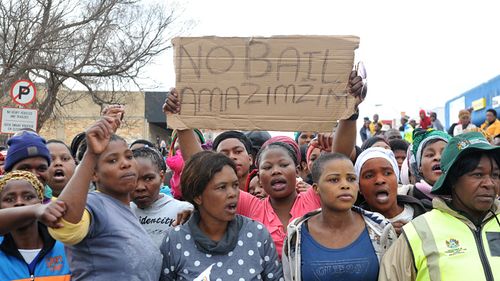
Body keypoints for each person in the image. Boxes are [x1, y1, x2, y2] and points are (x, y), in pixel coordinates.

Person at [48, 110, 162, 281]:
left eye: (129, 156)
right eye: (112, 160)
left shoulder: (126, 209)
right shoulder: (95, 205)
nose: (125, 164)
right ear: (93, 174)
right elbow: (64, 226)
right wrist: (91, 155)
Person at [379, 132, 500, 281]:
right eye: (478, 175)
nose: (489, 183)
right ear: (452, 180)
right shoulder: (418, 232)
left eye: (495, 175)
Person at [159, 151, 283, 280]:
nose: (232, 194)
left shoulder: (257, 234)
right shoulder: (175, 240)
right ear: (197, 196)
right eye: (222, 187)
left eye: (235, 185)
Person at [282, 153, 397, 281]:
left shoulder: (380, 229)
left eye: (351, 179)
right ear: (316, 189)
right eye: (334, 180)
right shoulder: (296, 234)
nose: (345, 185)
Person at [0, 171, 70, 280]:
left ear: (41, 202)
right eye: (9, 199)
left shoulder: (67, 248)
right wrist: (33, 210)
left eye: (28, 197)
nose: (19, 203)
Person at [355, 148, 427, 235]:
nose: (380, 180)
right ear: (360, 187)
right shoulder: (354, 229)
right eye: (369, 176)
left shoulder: (426, 212)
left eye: (387, 173)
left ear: (397, 180)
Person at [130, 147, 193, 247]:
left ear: (162, 177)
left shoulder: (183, 211)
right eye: (133, 179)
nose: (140, 187)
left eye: (148, 178)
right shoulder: (121, 212)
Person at [400, 129, 451, 209]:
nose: (438, 158)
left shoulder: (466, 198)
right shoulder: (406, 203)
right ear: (419, 167)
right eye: (430, 155)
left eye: (444, 154)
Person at [4, 131, 53, 201]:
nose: (34, 175)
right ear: (8, 173)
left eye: (41, 168)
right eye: (25, 169)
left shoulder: (59, 206)